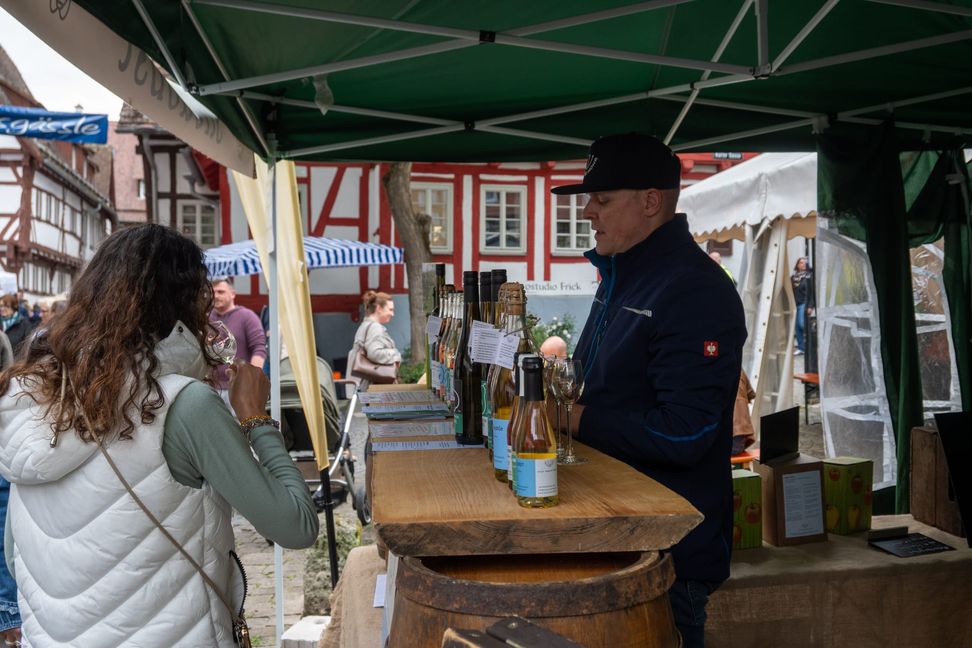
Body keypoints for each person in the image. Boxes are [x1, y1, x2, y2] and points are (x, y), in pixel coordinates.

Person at [0, 224, 318, 646]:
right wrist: (254, 417)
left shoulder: (31, 396)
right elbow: (295, 526)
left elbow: (14, 551)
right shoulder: (185, 405)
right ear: (184, 306)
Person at [551, 133, 746, 648]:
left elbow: (686, 435)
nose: (589, 212)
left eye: (603, 199)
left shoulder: (694, 289)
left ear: (651, 202)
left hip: (667, 554)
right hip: (618, 532)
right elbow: (587, 382)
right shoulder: (621, 275)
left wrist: (569, 418)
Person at [210, 277, 267, 404]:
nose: (216, 296)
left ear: (233, 294)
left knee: (239, 424)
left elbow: (259, 348)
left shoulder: (247, 316)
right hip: (211, 388)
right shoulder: (207, 318)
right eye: (213, 293)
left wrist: (252, 380)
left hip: (239, 387)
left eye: (221, 292)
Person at [347, 290, 401, 389]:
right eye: (390, 309)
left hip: (365, 386)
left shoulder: (365, 326)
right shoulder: (375, 328)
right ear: (379, 308)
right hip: (374, 388)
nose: (392, 314)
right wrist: (396, 354)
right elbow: (374, 353)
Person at [791, 257, 813, 356]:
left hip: (804, 303)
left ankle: (811, 342)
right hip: (795, 304)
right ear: (797, 265)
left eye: (805, 263)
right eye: (801, 263)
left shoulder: (809, 276)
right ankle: (801, 348)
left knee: (801, 324)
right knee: (797, 328)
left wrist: (810, 306)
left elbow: (812, 292)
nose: (803, 264)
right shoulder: (793, 277)